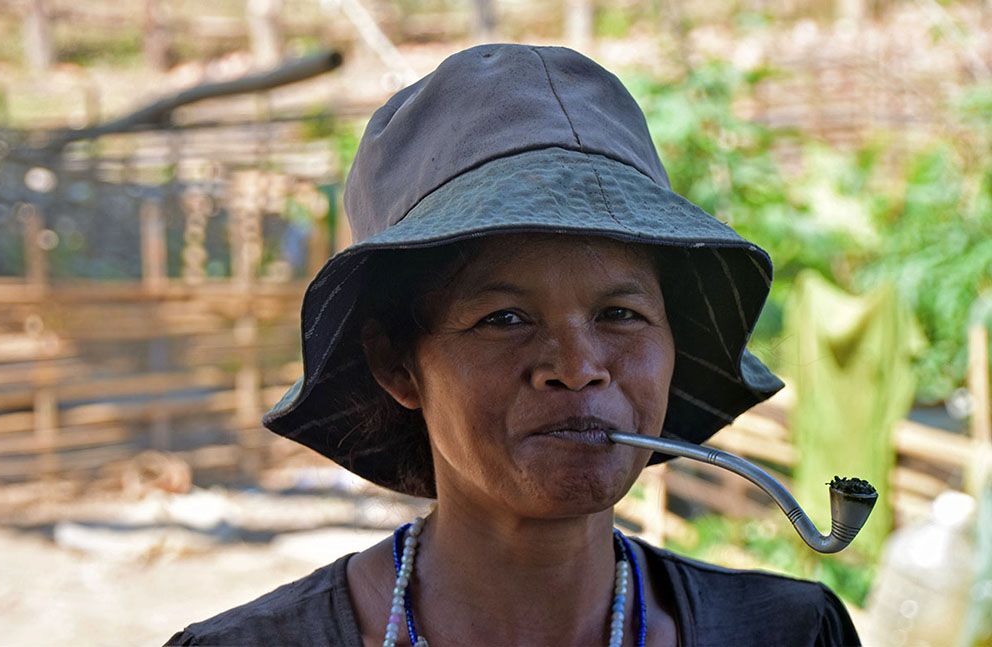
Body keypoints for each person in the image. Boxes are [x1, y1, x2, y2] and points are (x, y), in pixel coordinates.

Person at [165, 43, 861, 646]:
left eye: (620, 313)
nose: (579, 367)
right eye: (503, 318)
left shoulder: (789, 632)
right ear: (397, 364)